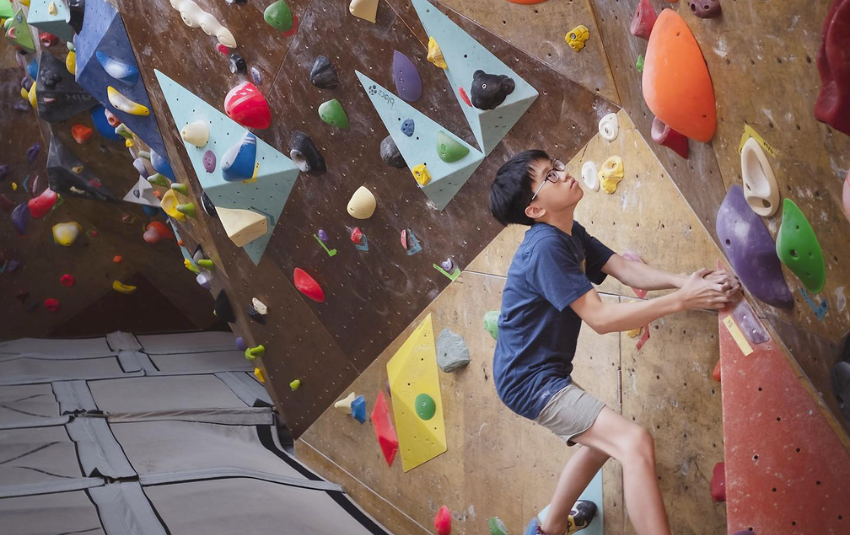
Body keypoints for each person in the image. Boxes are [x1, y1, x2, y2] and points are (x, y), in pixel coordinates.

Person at [487, 150, 742, 535]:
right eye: (549, 177)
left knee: (600, 441)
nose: (564, 173)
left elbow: (621, 267)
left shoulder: (568, 232)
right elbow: (601, 319)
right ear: (535, 210)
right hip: (529, 382)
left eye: (556, 165)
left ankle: (549, 527)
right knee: (634, 444)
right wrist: (684, 299)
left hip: (540, 372)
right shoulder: (544, 248)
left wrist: (683, 280)